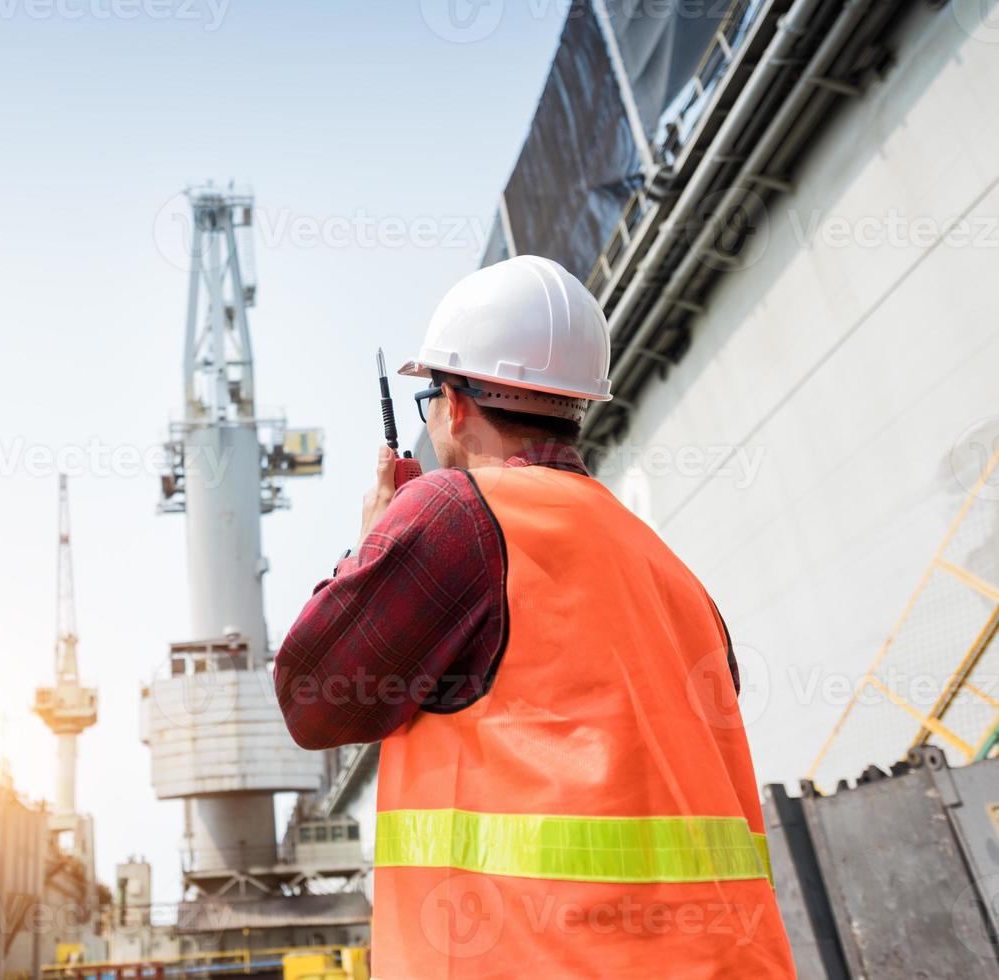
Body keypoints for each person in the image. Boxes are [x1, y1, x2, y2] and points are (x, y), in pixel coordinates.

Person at [273, 256, 796, 979]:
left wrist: (371, 543)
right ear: (575, 404)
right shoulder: (670, 572)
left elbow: (311, 702)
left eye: (429, 394)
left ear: (452, 405)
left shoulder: (453, 511)